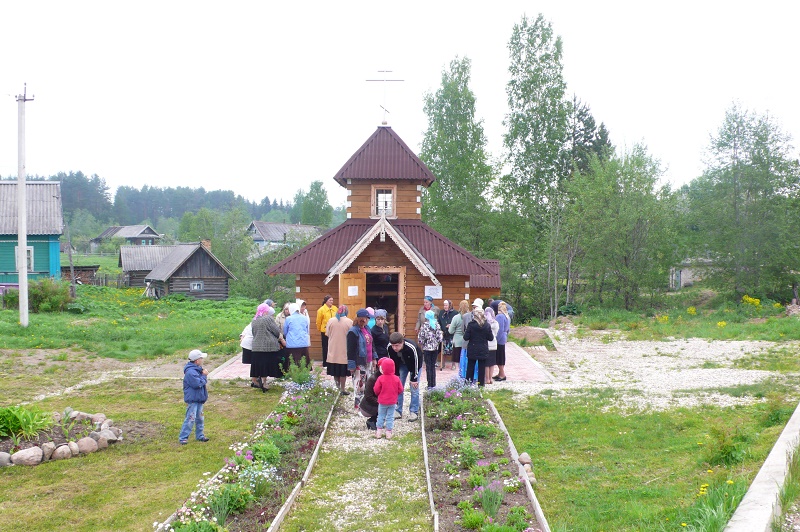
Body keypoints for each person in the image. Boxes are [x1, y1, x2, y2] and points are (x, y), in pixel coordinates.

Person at [388, 331, 422, 421]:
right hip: (401, 365)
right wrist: (395, 376)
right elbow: (392, 362)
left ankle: (414, 411)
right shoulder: (389, 348)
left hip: (414, 364)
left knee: (414, 389)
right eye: (393, 345)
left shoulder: (411, 347)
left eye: (397, 345)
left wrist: (414, 378)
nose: (394, 348)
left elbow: (416, 363)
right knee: (398, 387)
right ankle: (398, 410)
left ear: (402, 342)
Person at [179, 349, 210, 445]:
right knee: (190, 418)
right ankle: (183, 437)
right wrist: (204, 376)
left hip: (199, 399)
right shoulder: (191, 372)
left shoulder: (197, 370)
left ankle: (200, 435)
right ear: (197, 361)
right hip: (193, 400)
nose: (202, 360)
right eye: (201, 358)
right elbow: (198, 384)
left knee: (200, 418)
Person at [251, 303, 283, 391]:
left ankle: (260, 380)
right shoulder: (268, 318)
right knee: (267, 366)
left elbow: (254, 333)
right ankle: (264, 383)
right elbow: (276, 331)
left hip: (257, 347)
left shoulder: (254, 319)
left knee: (261, 366)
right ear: (266, 311)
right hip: (269, 347)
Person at [347, 309, 374, 410]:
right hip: (359, 361)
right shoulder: (353, 332)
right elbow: (350, 350)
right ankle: (358, 405)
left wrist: (374, 358)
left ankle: (365, 404)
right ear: (360, 319)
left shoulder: (367, 328)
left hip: (369, 360)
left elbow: (372, 344)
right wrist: (351, 365)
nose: (366, 321)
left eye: (367, 319)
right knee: (359, 384)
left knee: (368, 382)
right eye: (365, 319)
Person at [373, 357, 404, 439]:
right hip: (392, 401)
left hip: (382, 401)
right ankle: (388, 432)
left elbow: (376, 389)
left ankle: (379, 431)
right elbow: (401, 389)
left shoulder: (380, 378)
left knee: (381, 416)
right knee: (390, 416)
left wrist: (379, 394)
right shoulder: (396, 378)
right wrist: (395, 394)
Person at [463, 306, 493, 386]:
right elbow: (491, 338)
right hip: (483, 348)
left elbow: (465, 337)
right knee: (481, 368)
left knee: (470, 368)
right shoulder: (486, 325)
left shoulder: (471, 325)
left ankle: (468, 385)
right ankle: (481, 385)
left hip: (472, 348)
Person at [326, 304, 353, 394]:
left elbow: (327, 334)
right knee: (343, 372)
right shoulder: (349, 322)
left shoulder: (331, 321)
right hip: (344, 351)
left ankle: (337, 387)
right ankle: (342, 389)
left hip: (333, 350)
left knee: (335, 371)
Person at [418, 309, 443, 389]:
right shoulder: (437, 325)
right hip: (435, 348)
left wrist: (423, 343)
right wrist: (436, 342)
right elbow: (440, 337)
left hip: (426, 349)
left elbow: (421, 338)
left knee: (428, 366)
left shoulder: (424, 326)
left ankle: (429, 384)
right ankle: (434, 384)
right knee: (433, 366)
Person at [284, 302, 311, 368]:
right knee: (304, 363)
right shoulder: (304, 318)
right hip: (303, 343)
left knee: (293, 362)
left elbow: (285, 331)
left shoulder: (288, 319)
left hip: (292, 344)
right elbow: (307, 330)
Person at [448, 300, 470, 373]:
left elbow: (450, 331)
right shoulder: (470, 317)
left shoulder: (456, 317)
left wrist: (450, 326)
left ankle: (461, 375)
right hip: (468, 341)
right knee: (467, 360)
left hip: (457, 341)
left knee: (459, 361)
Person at [316, 295, 336, 368]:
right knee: (325, 347)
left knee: (333, 347)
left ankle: (333, 362)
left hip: (334, 331)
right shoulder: (321, 310)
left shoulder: (335, 308)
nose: (331, 302)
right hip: (324, 331)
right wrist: (320, 329)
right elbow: (318, 321)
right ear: (326, 301)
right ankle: (325, 363)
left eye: (332, 300)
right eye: (330, 300)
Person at [493, 301, 511, 381]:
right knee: (502, 356)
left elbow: (499, 330)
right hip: (504, 337)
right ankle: (500, 373)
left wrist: (496, 340)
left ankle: (502, 374)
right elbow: (508, 329)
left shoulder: (500, 316)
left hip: (499, 339)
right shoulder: (507, 316)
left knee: (499, 357)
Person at [438, 299, 458, 370]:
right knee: (444, 350)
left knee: (453, 350)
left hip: (452, 334)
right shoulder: (441, 312)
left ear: (450, 305)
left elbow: (457, 323)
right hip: (444, 334)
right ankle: (442, 364)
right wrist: (440, 329)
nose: (445, 306)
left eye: (446, 305)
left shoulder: (455, 313)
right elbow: (439, 322)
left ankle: (453, 364)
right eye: (444, 305)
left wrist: (451, 325)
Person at [239, 320, 259, 388]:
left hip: (249, 344)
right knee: (255, 363)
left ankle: (255, 379)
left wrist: (242, 336)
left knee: (255, 363)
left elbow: (244, 331)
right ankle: (254, 381)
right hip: (250, 344)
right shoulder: (256, 322)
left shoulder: (253, 322)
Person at [484, 307, 500, 385]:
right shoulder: (496, 323)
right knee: (492, 363)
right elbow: (496, 333)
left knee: (486, 363)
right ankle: (490, 378)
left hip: (486, 344)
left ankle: (486, 379)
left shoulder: (484, 323)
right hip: (494, 344)